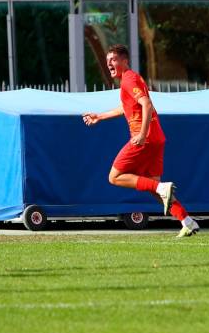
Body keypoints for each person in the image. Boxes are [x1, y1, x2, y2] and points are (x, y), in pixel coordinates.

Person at [83, 44, 199, 238]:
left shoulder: (129, 79)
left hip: (144, 138)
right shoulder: (129, 81)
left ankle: (164, 189)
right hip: (156, 139)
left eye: (113, 59)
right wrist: (100, 117)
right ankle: (187, 221)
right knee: (155, 189)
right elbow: (127, 107)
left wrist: (143, 133)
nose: (109, 63)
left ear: (124, 60)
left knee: (114, 177)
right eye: (107, 60)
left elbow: (146, 104)